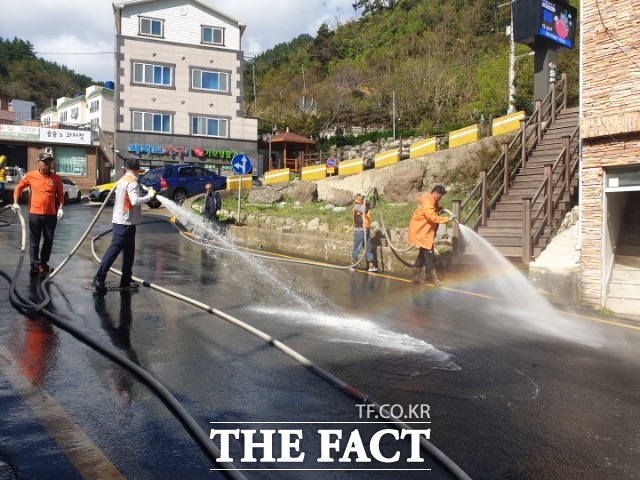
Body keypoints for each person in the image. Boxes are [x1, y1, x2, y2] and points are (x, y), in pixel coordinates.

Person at [93, 159, 156, 292]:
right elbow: (135, 201)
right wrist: (150, 196)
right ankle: (99, 278)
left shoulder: (122, 180)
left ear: (125, 168)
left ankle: (126, 279)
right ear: (138, 170)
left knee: (129, 252)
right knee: (114, 251)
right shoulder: (132, 183)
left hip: (125, 221)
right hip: (125, 222)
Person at [11, 153, 64, 274]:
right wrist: (15, 202)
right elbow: (19, 187)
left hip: (51, 214)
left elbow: (60, 194)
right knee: (35, 240)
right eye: (45, 162)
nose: (47, 165)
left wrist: (61, 207)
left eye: (49, 162)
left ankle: (44, 263)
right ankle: (34, 264)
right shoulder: (30, 176)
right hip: (35, 214)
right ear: (39, 163)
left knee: (48, 240)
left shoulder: (56, 178)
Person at [407, 185, 454, 285]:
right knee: (430, 256)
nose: (440, 199)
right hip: (423, 232)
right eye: (440, 197)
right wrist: (447, 219)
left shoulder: (430, 201)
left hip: (424, 232)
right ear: (435, 193)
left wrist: (438, 210)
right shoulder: (427, 202)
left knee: (422, 256)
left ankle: (415, 277)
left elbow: (432, 212)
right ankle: (434, 279)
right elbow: (431, 217)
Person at [351, 190, 378, 272]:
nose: (364, 198)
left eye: (364, 197)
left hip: (366, 229)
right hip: (359, 230)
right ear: (358, 196)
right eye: (362, 197)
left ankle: (371, 266)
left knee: (368, 248)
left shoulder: (364, 204)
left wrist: (374, 197)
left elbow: (372, 205)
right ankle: (353, 265)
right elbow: (364, 210)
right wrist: (366, 201)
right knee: (357, 248)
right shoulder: (356, 205)